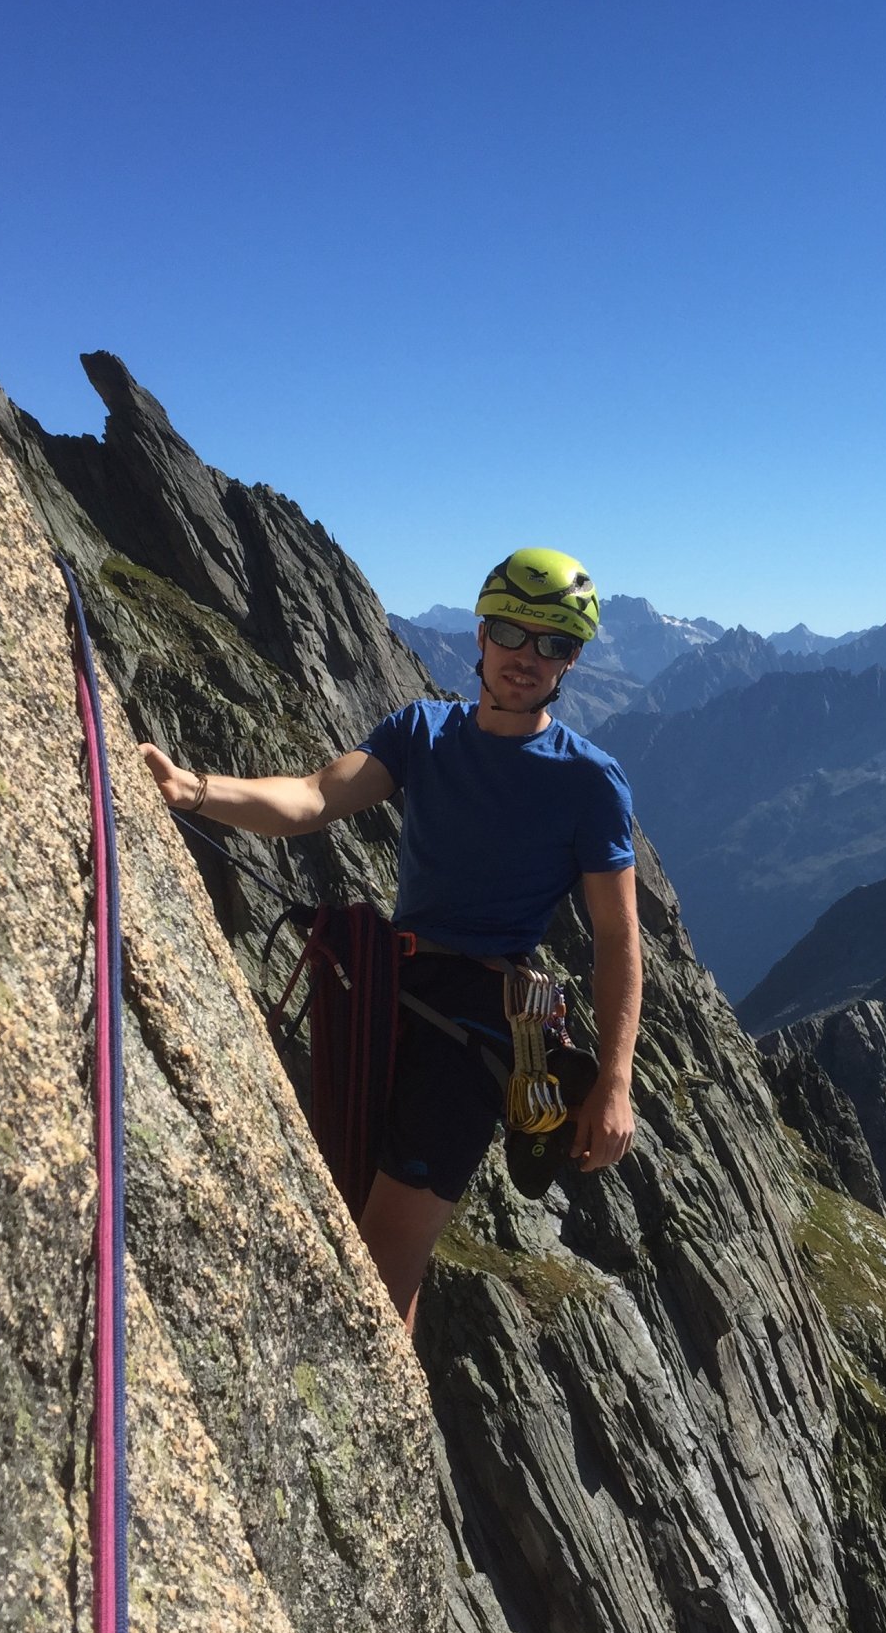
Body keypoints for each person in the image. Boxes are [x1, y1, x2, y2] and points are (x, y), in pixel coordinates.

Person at [138, 548, 641, 1331]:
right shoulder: (423, 731)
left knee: (383, 1258)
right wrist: (194, 791)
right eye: (513, 631)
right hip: (388, 994)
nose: (528, 656)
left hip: (474, 1028)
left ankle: (385, 1408)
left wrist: (614, 1082)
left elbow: (617, 939)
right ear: (482, 634)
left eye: (554, 643)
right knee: (353, 1221)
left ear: (571, 660)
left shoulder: (589, 779)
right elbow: (315, 797)